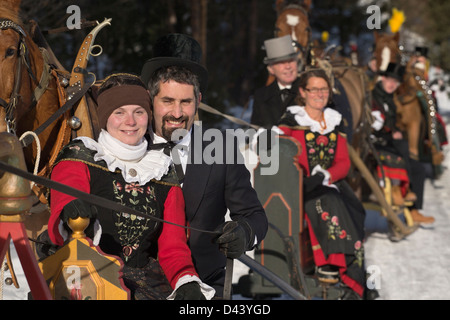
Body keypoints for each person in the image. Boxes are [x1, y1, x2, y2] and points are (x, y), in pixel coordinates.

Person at [47, 73, 214, 300]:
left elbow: (173, 246)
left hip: (144, 283)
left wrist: (185, 280)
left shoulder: (162, 171)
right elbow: (66, 192)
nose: (131, 121)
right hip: (83, 278)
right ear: (106, 116)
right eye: (119, 113)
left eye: (139, 112)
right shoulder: (81, 157)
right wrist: (70, 207)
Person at [140, 33, 268, 297]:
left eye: (185, 102)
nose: (177, 113)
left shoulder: (220, 147)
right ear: (151, 100)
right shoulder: (129, 144)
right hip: (136, 284)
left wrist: (243, 232)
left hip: (206, 284)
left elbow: (255, 216)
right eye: (167, 101)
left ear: (199, 100)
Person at [276, 68, 366, 299]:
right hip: (300, 186)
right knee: (328, 201)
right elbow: (278, 151)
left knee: (355, 208)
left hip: (329, 182)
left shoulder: (335, 121)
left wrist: (325, 176)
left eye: (323, 89)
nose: (319, 94)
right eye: (313, 89)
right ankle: (334, 266)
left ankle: (353, 278)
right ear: (303, 93)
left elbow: (344, 162)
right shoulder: (291, 121)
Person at [370, 62, 435, 224]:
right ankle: (400, 191)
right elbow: (373, 122)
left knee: (418, 168)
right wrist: (391, 132)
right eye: (390, 80)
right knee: (404, 146)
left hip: (390, 142)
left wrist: (395, 130)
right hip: (376, 143)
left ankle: (414, 210)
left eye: (396, 82)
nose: (392, 84)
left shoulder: (390, 98)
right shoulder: (373, 96)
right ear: (383, 78)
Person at [250, 35, 300, 129]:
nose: (288, 66)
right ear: (271, 69)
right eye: (281, 62)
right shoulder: (261, 96)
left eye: (290, 61)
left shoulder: (310, 91)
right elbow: (254, 131)